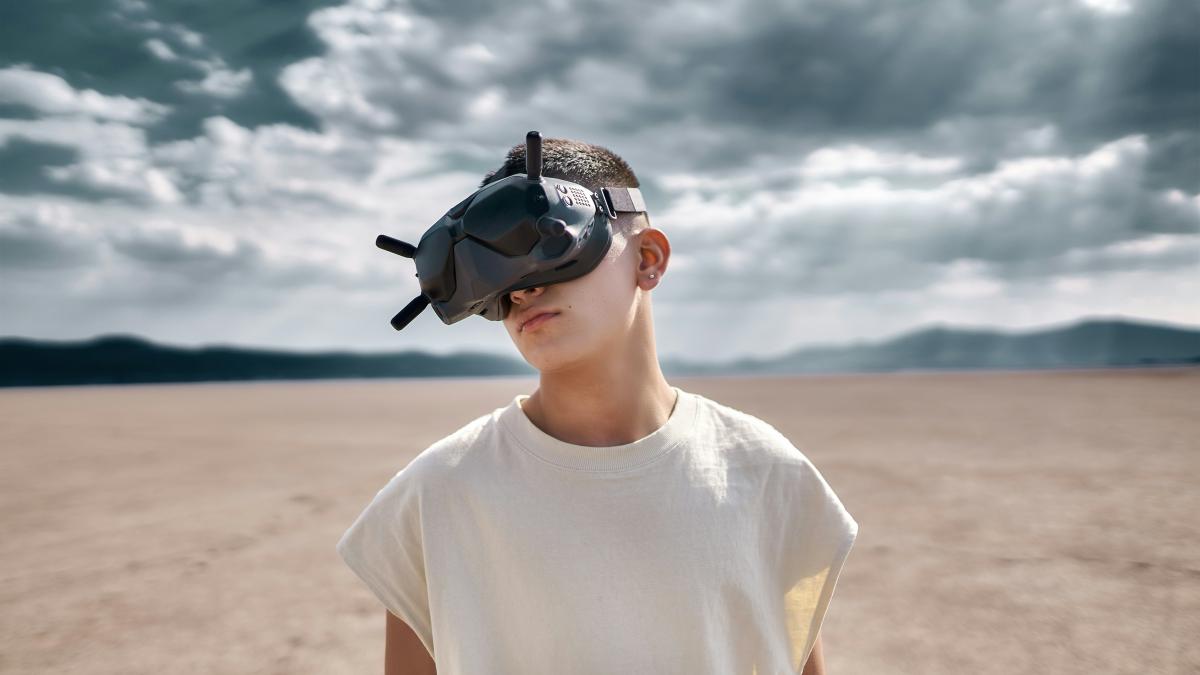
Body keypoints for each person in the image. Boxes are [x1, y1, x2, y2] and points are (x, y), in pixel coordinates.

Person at [336, 137, 859, 675]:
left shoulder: (768, 471)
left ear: (648, 258)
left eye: (546, 241)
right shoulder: (436, 495)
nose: (520, 292)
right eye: (491, 278)